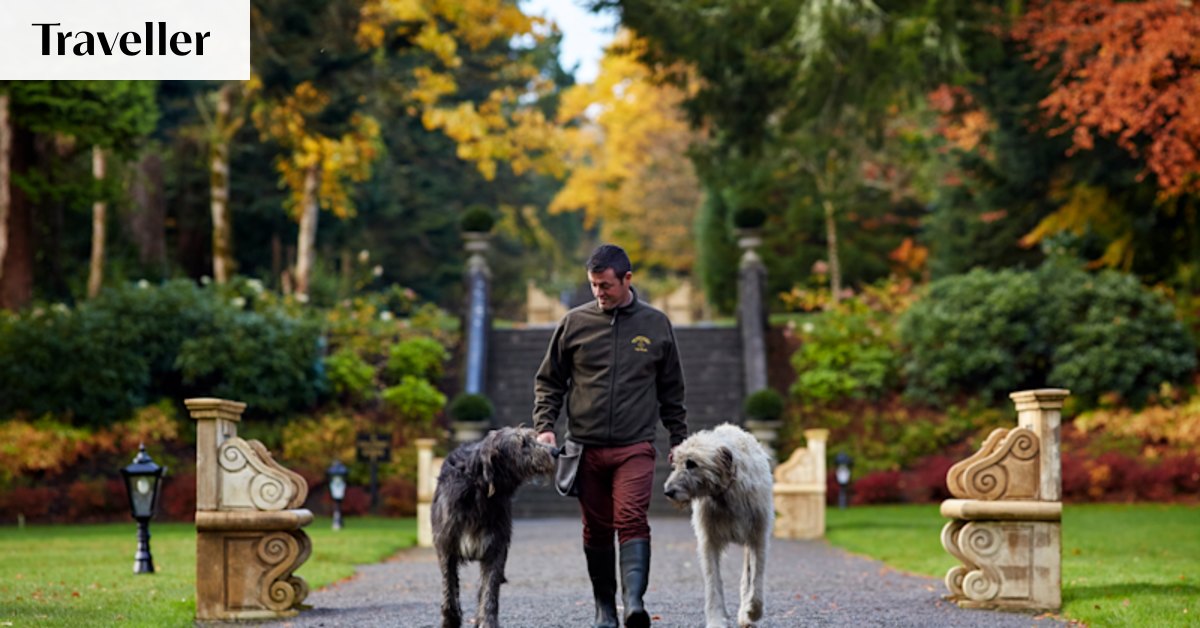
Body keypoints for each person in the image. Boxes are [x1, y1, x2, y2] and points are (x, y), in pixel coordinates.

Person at [533, 244, 688, 628]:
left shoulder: (655, 324)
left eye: (605, 285)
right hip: (584, 448)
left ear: (627, 279)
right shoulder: (573, 323)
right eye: (593, 285)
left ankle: (633, 604)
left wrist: (678, 439)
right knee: (596, 528)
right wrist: (545, 428)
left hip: (634, 445)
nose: (598, 293)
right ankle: (605, 609)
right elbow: (549, 381)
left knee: (632, 517)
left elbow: (672, 390)